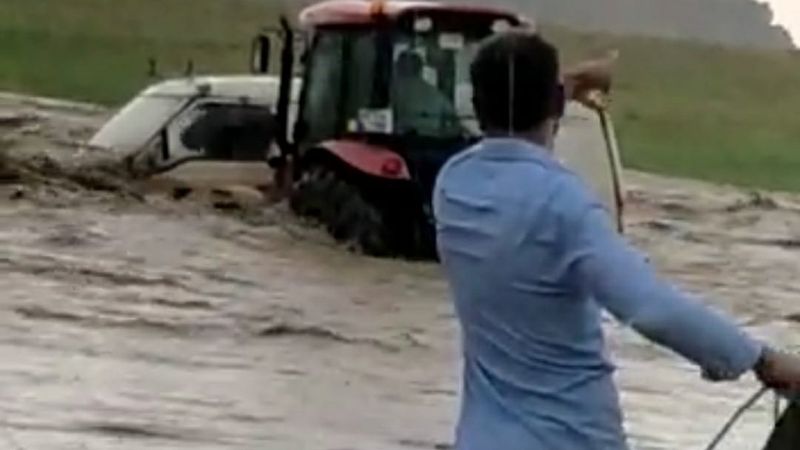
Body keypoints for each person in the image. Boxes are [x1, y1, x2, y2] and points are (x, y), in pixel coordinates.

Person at [432, 30, 800, 450]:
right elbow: (650, 308)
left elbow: (513, 127)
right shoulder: (564, 203)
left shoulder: (453, 185)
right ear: (555, 104)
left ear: (476, 107)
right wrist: (760, 359)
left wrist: (569, 84)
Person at [392, 50, 461, 137]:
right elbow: (454, 122)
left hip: (398, 143)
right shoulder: (436, 94)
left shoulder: (391, 90)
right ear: (420, 69)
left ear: (397, 67)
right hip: (432, 142)